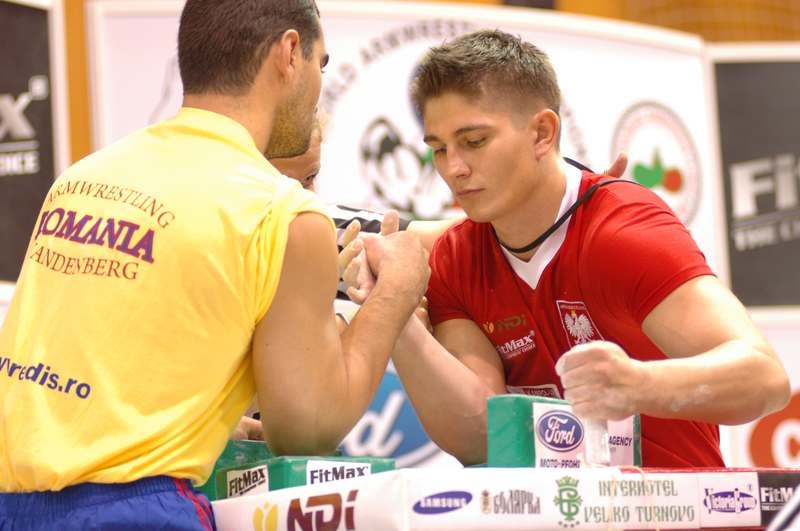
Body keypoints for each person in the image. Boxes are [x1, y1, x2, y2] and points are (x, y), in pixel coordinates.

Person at [0, 1, 429, 529]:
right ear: (289, 53)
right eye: (322, 65)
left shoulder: (83, 177)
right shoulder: (284, 213)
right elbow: (307, 427)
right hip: (137, 513)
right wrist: (394, 296)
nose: (319, 85)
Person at [349, 29, 790, 468]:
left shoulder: (622, 231)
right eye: (439, 150)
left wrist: (638, 385)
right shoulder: (455, 256)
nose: (454, 168)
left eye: (474, 141)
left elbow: (764, 379)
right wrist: (397, 317)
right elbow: (480, 435)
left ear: (542, 132)